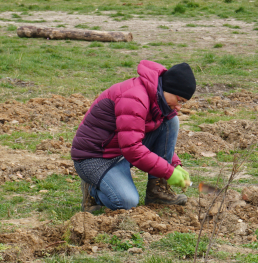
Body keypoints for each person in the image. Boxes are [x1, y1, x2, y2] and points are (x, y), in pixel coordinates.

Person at [71, 61, 196, 211]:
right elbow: (132, 149)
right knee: (126, 202)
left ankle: (157, 191)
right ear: (168, 89)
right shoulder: (134, 98)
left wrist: (174, 165)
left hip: (120, 149)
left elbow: (155, 139)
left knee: (170, 121)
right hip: (95, 157)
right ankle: (92, 191)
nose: (179, 107)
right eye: (179, 100)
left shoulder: (158, 100)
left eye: (183, 103)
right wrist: (169, 172)